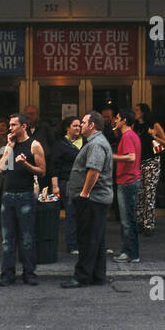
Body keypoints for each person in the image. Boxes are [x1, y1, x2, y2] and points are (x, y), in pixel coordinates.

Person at [61, 111, 114, 289]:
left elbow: (94, 171)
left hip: (93, 199)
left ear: (92, 125)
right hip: (96, 199)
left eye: (83, 122)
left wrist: (84, 193)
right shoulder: (95, 142)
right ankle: (98, 275)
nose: (81, 125)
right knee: (96, 239)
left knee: (87, 239)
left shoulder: (96, 144)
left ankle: (81, 276)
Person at [0, 112, 46, 287]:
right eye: (9, 125)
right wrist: (8, 148)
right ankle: (7, 274)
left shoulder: (34, 145)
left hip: (25, 195)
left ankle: (29, 273)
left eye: (13, 125)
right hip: (8, 195)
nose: (10, 128)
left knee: (26, 237)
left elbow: (42, 171)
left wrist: (25, 164)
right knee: (7, 238)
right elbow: (1, 168)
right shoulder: (9, 145)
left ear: (24, 126)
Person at [111, 106, 141, 263]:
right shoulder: (130, 135)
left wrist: (112, 156)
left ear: (124, 120)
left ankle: (131, 254)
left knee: (127, 220)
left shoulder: (128, 136)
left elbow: (130, 157)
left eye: (117, 117)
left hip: (127, 181)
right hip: (129, 180)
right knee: (128, 219)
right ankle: (128, 251)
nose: (115, 120)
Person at [133, 103, 165, 235]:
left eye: (137, 110)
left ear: (143, 112)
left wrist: (154, 136)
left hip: (152, 162)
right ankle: (140, 221)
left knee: (149, 193)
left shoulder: (154, 125)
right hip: (139, 162)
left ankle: (149, 224)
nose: (136, 112)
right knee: (140, 192)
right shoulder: (135, 126)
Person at [51, 117, 83, 255]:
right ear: (67, 128)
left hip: (84, 182)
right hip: (67, 182)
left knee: (83, 214)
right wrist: (55, 186)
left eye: (79, 126)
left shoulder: (86, 141)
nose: (78, 128)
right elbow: (54, 167)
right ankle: (72, 245)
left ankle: (83, 242)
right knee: (71, 214)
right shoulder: (60, 144)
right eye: (74, 126)